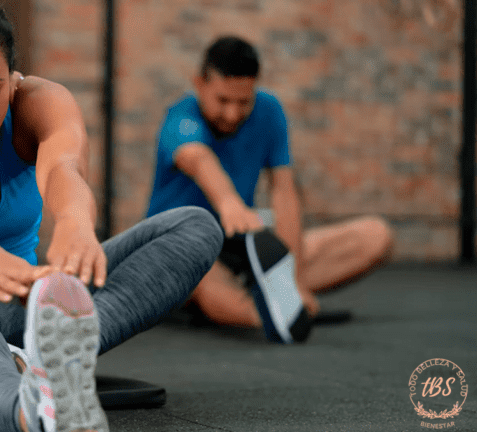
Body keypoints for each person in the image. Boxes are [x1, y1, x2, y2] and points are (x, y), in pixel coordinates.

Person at [0, 1, 224, 432]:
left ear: (13, 79)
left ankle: (37, 354)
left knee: (194, 227)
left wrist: (75, 225)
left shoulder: (40, 103)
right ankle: (33, 411)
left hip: (21, 300)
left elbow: (63, 169)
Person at [146, 35, 394, 332]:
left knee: (376, 236)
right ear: (200, 84)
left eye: (243, 102)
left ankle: (282, 301)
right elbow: (199, 160)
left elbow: (284, 191)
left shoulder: (269, 111)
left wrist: (293, 278)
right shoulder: (180, 117)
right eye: (223, 101)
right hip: (180, 250)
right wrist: (230, 204)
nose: (232, 113)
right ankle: (272, 316)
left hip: (240, 246)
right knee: (203, 278)